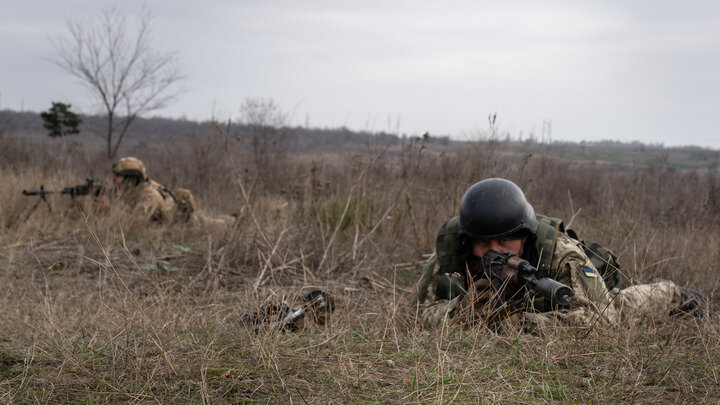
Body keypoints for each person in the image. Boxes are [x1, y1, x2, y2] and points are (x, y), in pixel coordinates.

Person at [412, 178, 709, 332]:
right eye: (483, 244)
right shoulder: (451, 253)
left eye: (504, 241)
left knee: (619, 309)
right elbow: (416, 315)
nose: (493, 252)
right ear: (468, 241)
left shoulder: (561, 254)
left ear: (524, 237)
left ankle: (672, 295)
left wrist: (525, 324)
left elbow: (601, 322)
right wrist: (465, 308)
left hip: (562, 294)